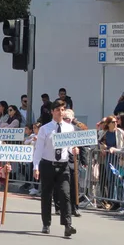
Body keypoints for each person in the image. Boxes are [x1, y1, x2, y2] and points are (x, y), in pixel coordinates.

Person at [32, 100, 78, 237]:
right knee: (47, 195)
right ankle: (46, 223)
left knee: (65, 194)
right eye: (57, 110)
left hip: (63, 165)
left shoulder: (69, 128)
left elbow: (70, 147)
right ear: (52, 112)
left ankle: (67, 225)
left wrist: (74, 150)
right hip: (48, 165)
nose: (60, 112)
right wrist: (36, 167)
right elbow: (39, 149)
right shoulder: (45, 129)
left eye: (62, 109)